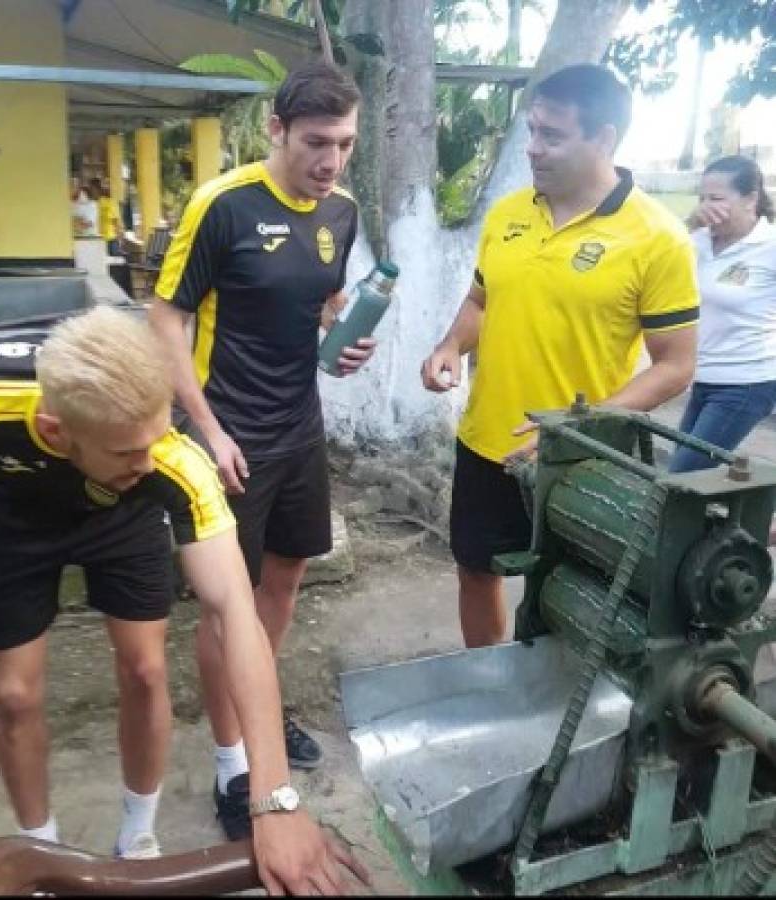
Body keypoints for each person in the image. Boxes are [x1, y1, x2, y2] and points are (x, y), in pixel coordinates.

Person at [0, 306, 369, 894]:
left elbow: (236, 613)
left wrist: (275, 799)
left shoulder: (167, 460)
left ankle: (136, 838)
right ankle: (41, 855)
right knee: (14, 695)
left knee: (145, 669)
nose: (152, 457)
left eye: (157, 440)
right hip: (14, 520)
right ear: (57, 432)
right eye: (133, 451)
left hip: (122, 516)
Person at [148, 60, 373, 840]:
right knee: (226, 606)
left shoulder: (340, 211)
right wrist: (206, 432)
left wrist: (339, 339)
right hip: (227, 434)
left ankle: (258, 710)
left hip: (299, 427)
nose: (330, 162)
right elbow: (167, 320)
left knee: (285, 580)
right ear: (276, 129)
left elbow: (325, 300)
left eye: (344, 144)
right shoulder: (223, 206)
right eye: (316, 142)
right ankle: (230, 762)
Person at [421, 64, 700, 649]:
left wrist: (575, 427)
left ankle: (561, 708)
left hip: (583, 462)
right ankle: (490, 684)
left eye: (552, 135)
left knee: (577, 589)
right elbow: (479, 300)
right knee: (476, 571)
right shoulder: (509, 213)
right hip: (487, 444)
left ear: (603, 138)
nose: (533, 149)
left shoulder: (656, 237)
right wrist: (450, 345)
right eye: (532, 131)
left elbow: (675, 365)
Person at [668, 155, 776, 473]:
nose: (707, 206)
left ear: (750, 199)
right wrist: (690, 223)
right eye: (702, 198)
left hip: (746, 383)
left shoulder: (769, 246)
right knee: (691, 477)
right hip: (700, 379)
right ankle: (726, 521)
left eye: (716, 198)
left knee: (681, 477)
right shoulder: (697, 240)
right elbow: (652, 249)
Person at [89, 177, 124, 256]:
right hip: (97, 240)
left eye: (92, 189)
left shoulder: (110, 202)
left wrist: (120, 238)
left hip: (110, 240)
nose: (91, 192)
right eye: (90, 189)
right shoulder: (92, 204)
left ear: (98, 189)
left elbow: (116, 221)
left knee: (111, 265)